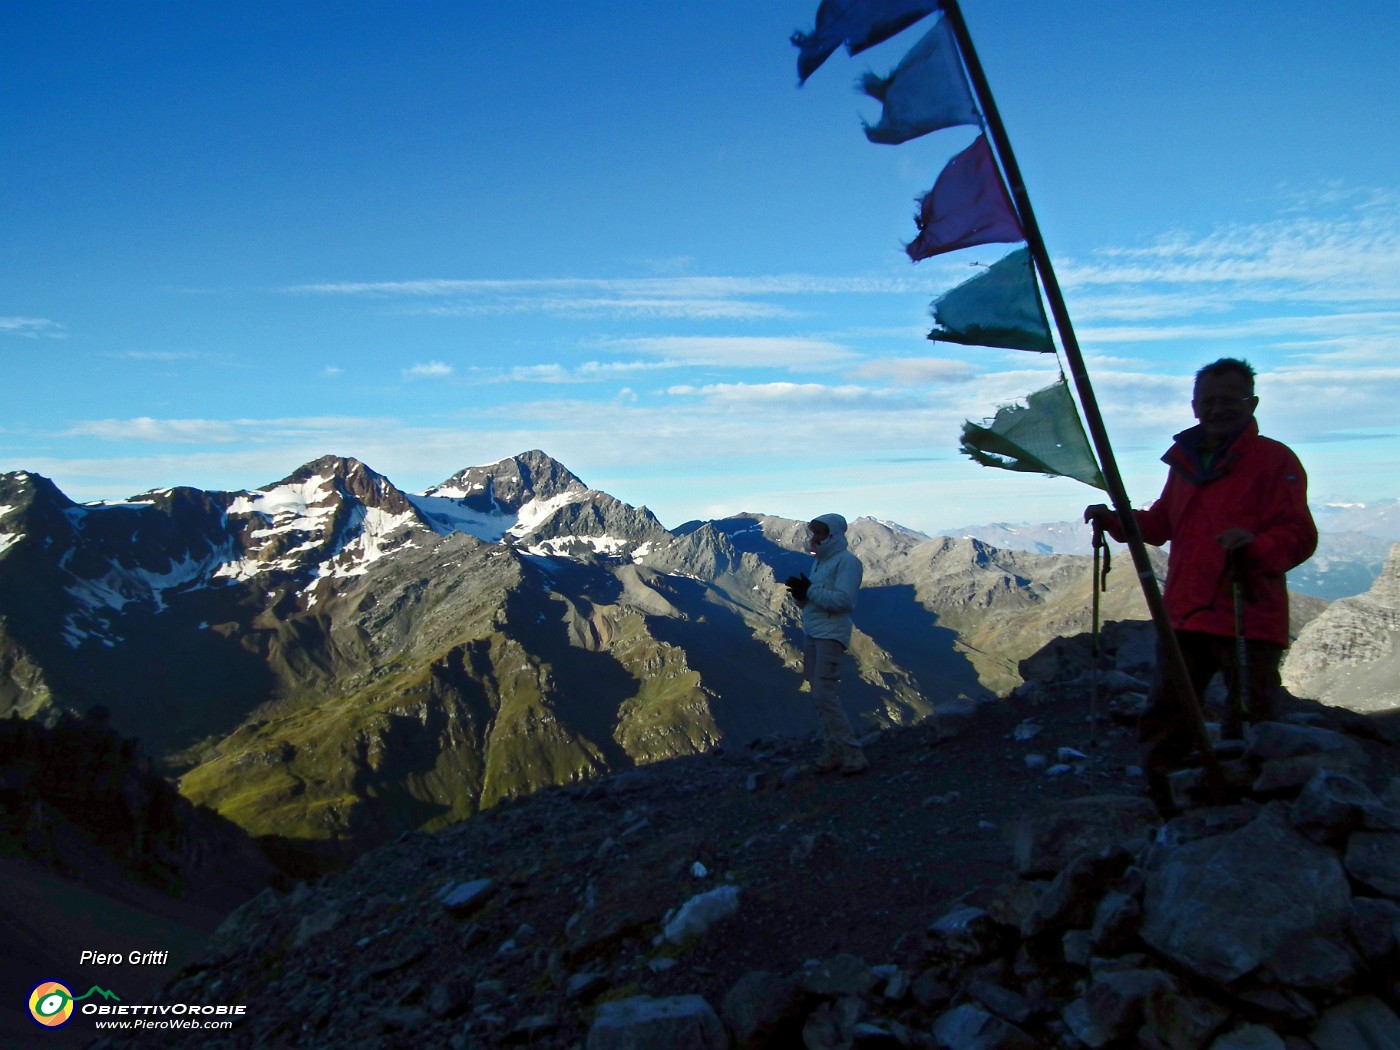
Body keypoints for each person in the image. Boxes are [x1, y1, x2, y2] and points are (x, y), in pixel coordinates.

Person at [1084, 357, 1317, 812]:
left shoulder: (1276, 460)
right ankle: (1166, 807)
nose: (1218, 408)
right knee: (1167, 713)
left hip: (1245, 608)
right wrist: (1116, 520)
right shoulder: (1187, 463)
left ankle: (1257, 812)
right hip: (1188, 612)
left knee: (1250, 719)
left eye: (1230, 399)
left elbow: (1300, 536)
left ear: (1252, 403)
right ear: (1194, 406)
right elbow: (1161, 523)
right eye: (1209, 400)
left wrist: (1256, 545)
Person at [785, 513, 869, 774]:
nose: (814, 538)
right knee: (818, 694)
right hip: (813, 632)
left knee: (824, 694)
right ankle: (833, 750)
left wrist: (809, 591)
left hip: (832, 635)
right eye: (813, 533)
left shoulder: (848, 563)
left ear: (833, 534)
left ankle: (853, 753)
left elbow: (844, 601)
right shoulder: (820, 563)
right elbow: (820, 600)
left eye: (819, 533)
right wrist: (801, 596)